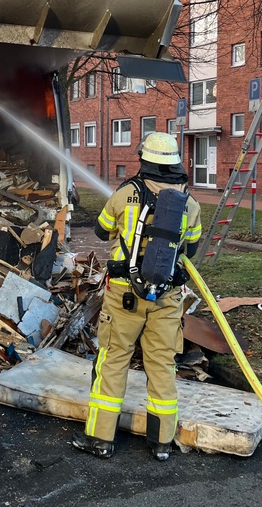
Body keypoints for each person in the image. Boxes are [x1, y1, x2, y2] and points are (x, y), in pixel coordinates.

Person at [72, 132, 202, 461]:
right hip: (168, 298)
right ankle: (161, 444)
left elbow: (101, 230)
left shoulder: (125, 194)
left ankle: (101, 439)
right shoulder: (190, 203)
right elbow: (193, 248)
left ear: (144, 160)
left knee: (113, 361)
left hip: (124, 294)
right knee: (161, 365)